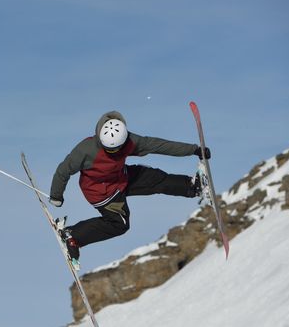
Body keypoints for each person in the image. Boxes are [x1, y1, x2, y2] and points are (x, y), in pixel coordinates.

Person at [49, 111, 210, 261]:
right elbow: (64, 170)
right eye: (109, 149)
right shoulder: (86, 149)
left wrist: (193, 149)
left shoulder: (129, 141)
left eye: (116, 149)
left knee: (154, 178)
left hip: (121, 177)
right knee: (120, 224)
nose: (113, 153)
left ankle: (192, 186)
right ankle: (73, 236)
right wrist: (56, 195)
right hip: (102, 193)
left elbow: (158, 145)